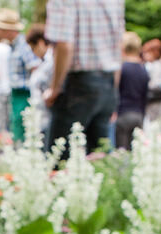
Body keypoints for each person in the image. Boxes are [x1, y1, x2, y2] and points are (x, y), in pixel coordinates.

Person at [44, 0, 125, 157]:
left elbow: (64, 45)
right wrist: (113, 89)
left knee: (59, 159)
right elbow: (118, 47)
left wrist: (55, 88)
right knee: (100, 159)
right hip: (108, 82)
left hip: (78, 83)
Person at [0, 9, 37, 142]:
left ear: (7, 30)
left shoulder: (23, 45)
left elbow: (35, 67)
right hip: (16, 94)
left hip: (25, 94)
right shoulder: (12, 46)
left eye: (0, 28)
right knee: (16, 130)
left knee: (22, 131)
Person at [115, 32, 149, 149]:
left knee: (121, 153)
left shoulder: (122, 68)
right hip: (138, 115)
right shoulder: (143, 69)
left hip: (122, 113)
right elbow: (145, 95)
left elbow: (116, 91)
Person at [26, 24, 53, 142]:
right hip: (40, 119)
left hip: (48, 118)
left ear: (41, 42)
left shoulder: (51, 61)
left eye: (33, 48)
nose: (34, 53)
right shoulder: (43, 62)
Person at [142, 38, 161, 123]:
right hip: (155, 102)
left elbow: (155, 84)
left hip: (157, 101)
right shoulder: (159, 64)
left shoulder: (156, 66)